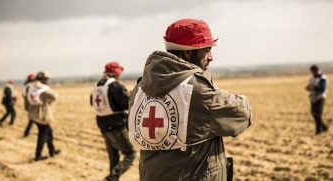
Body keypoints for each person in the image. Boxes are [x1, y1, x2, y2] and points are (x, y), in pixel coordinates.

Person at [127, 18, 252, 181]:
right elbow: (242, 114)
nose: (211, 57)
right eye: (207, 49)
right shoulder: (198, 91)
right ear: (188, 52)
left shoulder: (139, 89)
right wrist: (202, 77)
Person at [90, 61, 135, 181]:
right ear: (116, 73)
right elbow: (127, 103)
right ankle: (111, 178)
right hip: (116, 124)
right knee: (130, 154)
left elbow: (92, 102)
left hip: (102, 123)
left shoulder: (97, 84)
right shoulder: (115, 85)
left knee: (113, 156)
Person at [27, 70, 60, 161]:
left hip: (33, 112)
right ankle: (38, 155)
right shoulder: (43, 88)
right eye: (46, 79)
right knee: (43, 133)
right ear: (43, 78)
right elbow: (54, 97)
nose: (47, 80)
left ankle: (52, 150)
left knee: (48, 131)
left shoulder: (30, 86)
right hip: (41, 113)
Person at [305, 65, 329, 135]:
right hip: (313, 98)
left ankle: (318, 131)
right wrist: (308, 88)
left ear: (316, 70)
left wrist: (312, 88)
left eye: (313, 71)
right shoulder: (312, 78)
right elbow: (310, 85)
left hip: (320, 98)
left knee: (318, 114)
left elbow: (322, 89)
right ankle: (324, 127)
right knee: (314, 113)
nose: (312, 73)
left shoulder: (323, 78)